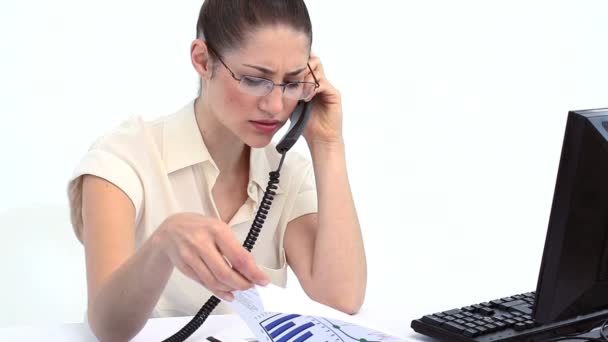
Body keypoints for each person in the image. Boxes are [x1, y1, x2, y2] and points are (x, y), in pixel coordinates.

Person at [67, 0, 366, 340]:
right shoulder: (123, 157)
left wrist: (327, 144)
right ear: (203, 60)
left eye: (292, 82)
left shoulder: (286, 173)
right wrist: (163, 244)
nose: (275, 106)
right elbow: (108, 328)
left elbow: (341, 300)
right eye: (255, 79)